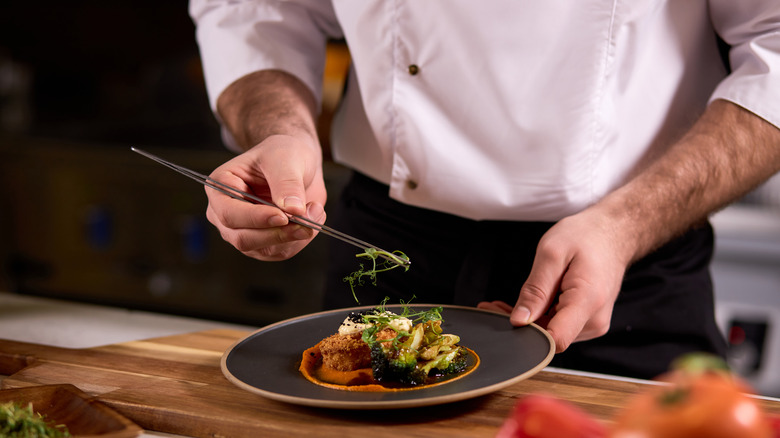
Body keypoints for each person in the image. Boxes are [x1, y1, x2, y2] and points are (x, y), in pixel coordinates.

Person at [189, 1, 780, 379]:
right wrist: (282, 135)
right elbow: (253, 8)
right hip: (386, 247)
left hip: (621, 256)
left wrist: (626, 225)